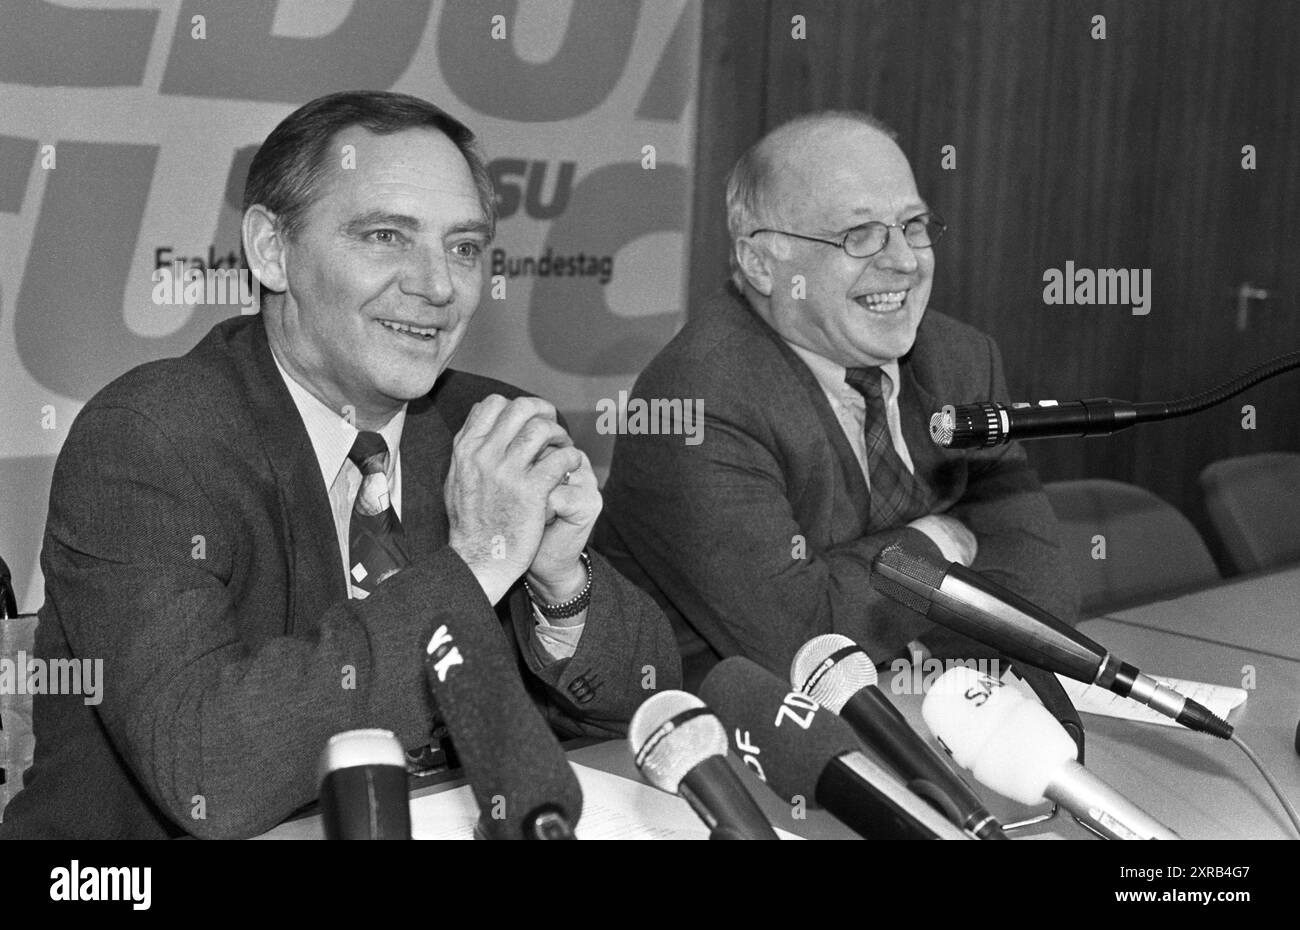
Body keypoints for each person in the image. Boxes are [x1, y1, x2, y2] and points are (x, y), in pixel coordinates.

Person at [0, 91, 679, 839]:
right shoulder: (148, 441)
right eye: (386, 236)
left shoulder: (485, 427)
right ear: (271, 250)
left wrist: (561, 584)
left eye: (463, 247)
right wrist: (478, 562)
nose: (438, 286)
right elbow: (210, 773)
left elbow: (639, 707)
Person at [594, 111, 1079, 687]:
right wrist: (943, 538)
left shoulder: (960, 358)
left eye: (913, 224)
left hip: (928, 706)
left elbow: (1040, 591)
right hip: (709, 741)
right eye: (859, 235)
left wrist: (871, 602)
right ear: (761, 263)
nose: (904, 260)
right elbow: (803, 638)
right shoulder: (696, 403)